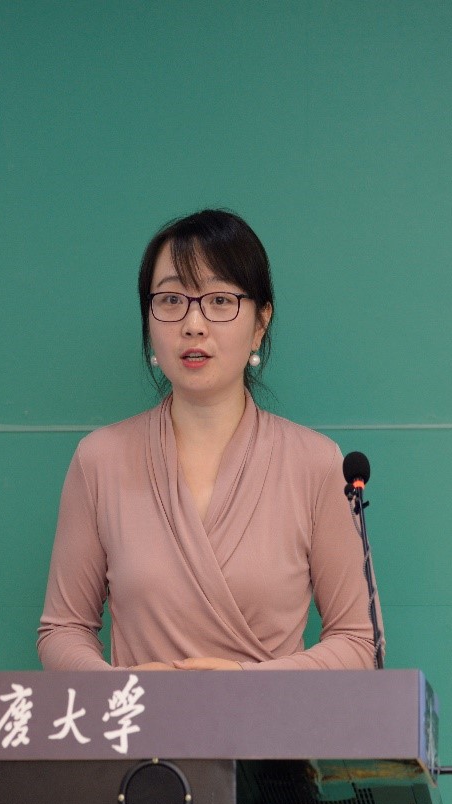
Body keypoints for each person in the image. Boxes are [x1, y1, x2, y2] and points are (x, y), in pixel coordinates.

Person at [37, 209, 383, 671]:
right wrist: (121, 689)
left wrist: (245, 684)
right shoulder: (99, 460)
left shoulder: (317, 464)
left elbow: (359, 641)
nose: (194, 324)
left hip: (267, 720)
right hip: (139, 719)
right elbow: (63, 630)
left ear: (260, 323)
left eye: (220, 300)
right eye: (171, 299)